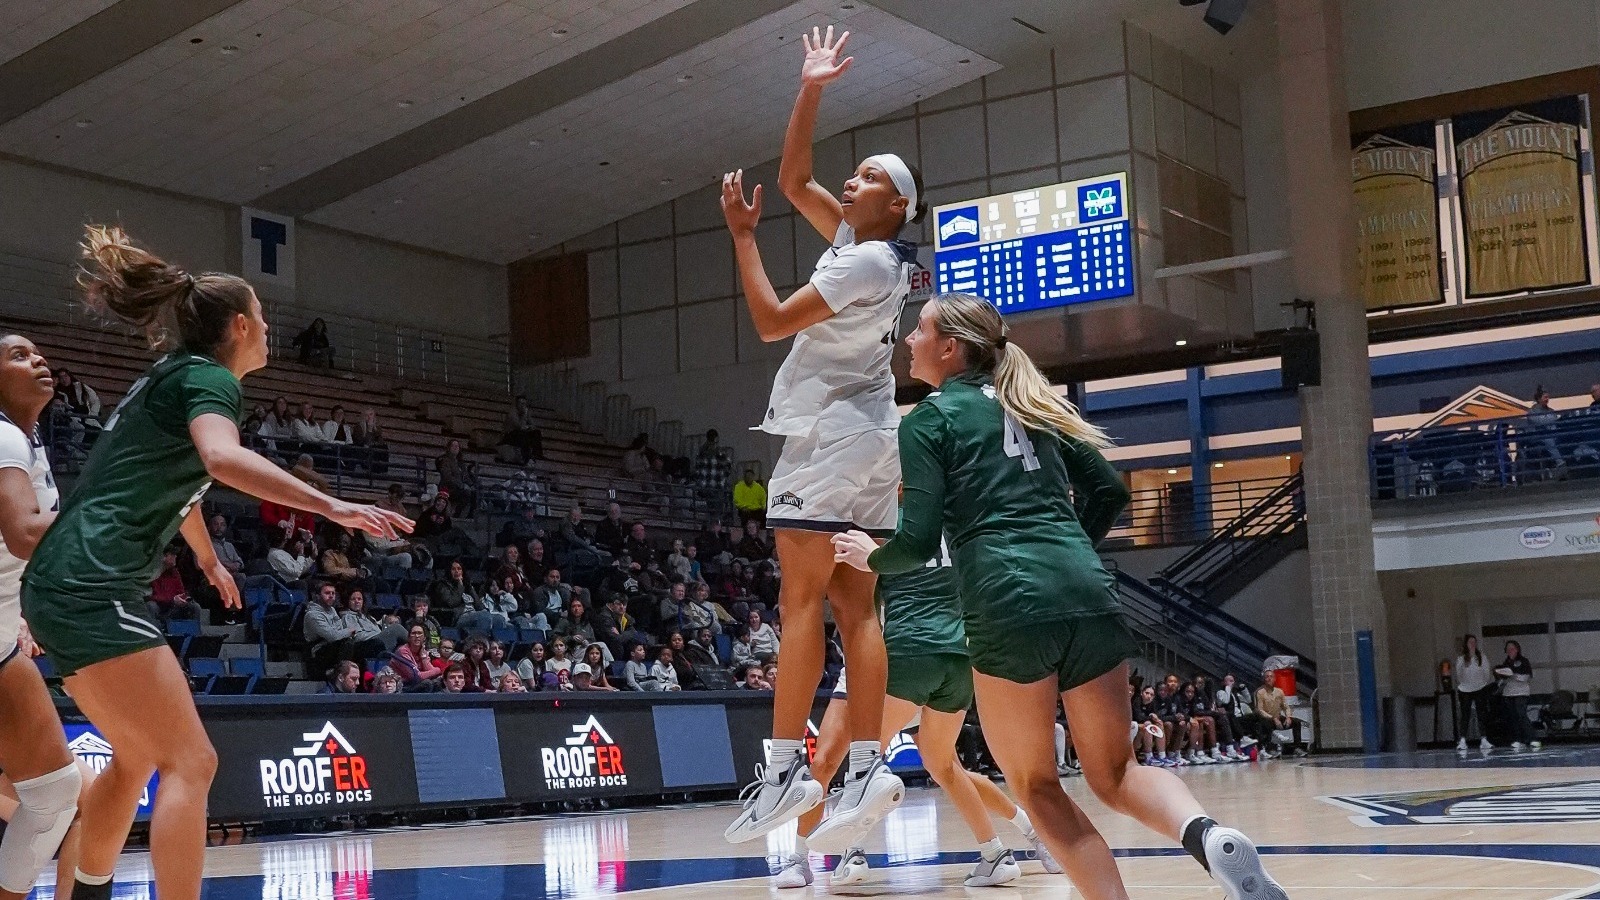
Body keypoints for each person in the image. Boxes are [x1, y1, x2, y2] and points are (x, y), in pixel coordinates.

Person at [831, 293, 1284, 900]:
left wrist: (870, 558)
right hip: (1086, 587)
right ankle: (1205, 834)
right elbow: (1107, 492)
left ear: (951, 347)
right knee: (1118, 771)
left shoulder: (929, 420)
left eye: (920, 330)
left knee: (1036, 783)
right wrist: (1066, 552)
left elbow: (915, 541)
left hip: (1006, 601)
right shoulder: (1034, 404)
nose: (909, 341)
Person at [21, 226, 411, 900]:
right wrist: (333, 506)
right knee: (192, 762)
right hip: (91, 582)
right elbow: (221, 462)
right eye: (261, 313)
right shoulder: (208, 380)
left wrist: (206, 557)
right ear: (238, 324)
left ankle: (82, 893)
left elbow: (176, 485)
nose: (267, 324)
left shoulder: (171, 377)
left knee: (139, 756)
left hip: (63, 583)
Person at [719, 26, 927, 847]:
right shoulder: (876, 253)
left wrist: (742, 236)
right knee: (854, 606)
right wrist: (811, 87)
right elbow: (796, 177)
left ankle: (784, 769)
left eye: (871, 175)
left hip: (835, 439)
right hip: (871, 436)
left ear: (897, 205)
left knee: (798, 597)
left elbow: (771, 323)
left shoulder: (862, 264)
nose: (853, 177)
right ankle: (872, 762)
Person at [776, 552, 1060, 887]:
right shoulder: (915, 532)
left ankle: (1029, 833)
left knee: (923, 766)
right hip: (891, 659)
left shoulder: (891, 534)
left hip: (900, 658)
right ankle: (803, 858)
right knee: (827, 761)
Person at [0, 333, 89, 900]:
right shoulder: (3, 434)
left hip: (3, 638)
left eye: (39, 354)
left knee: (58, 793)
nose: (38, 360)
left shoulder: (27, 441)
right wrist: (112, 511)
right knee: (58, 796)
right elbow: (26, 533)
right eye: (17, 356)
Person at [1455, 634, 1495, 752]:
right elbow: (1459, 675)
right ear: (1466, 644)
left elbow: (1486, 673)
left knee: (1481, 714)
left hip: (1480, 688)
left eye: (1474, 642)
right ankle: (1462, 740)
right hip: (1465, 690)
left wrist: (1481, 683)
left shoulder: (1481, 657)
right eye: (1470, 642)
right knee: (1465, 715)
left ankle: (1484, 739)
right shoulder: (1461, 659)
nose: (1472, 644)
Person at [1496, 640, 1539, 750]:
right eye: (1508, 649)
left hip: (1521, 692)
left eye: (1512, 648)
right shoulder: (1506, 663)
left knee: (1521, 714)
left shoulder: (1524, 661)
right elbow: (1502, 679)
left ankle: (1532, 738)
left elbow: (1527, 677)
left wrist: (1513, 675)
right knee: (1513, 717)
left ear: (1517, 649)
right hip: (1508, 693)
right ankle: (1518, 739)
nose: (1510, 651)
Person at [1254, 677, 1306, 758]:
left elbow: (1285, 706)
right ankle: (1269, 749)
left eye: (1271, 677)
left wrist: (1288, 717)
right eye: (1267, 677)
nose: (1269, 680)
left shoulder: (1278, 692)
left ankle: (1297, 748)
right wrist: (1274, 718)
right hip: (1266, 718)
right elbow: (1259, 710)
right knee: (1266, 724)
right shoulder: (1260, 693)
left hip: (1278, 716)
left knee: (1296, 722)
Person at [391, 623, 442, 688]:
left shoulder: (423, 651)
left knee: (439, 682)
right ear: (409, 638)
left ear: (424, 638)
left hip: (415, 684)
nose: (417, 636)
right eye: (414, 633)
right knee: (427, 683)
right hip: (401, 686)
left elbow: (430, 672)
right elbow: (415, 676)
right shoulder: (402, 651)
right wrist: (437, 670)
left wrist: (423, 658)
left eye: (419, 633)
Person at [436, 440, 477, 518]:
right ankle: (457, 513)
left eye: (457, 446)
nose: (455, 448)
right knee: (466, 493)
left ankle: (470, 515)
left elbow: (466, 476)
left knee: (474, 493)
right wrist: (461, 485)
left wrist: (471, 485)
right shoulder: (445, 461)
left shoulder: (460, 463)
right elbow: (447, 477)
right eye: (453, 446)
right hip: (448, 488)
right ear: (449, 448)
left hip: (460, 488)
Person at [502, 395, 544, 463]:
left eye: (524, 404)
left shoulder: (526, 411)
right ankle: (525, 457)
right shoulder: (512, 413)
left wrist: (529, 426)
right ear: (517, 404)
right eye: (521, 403)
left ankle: (537, 454)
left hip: (521, 433)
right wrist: (524, 417)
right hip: (509, 435)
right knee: (522, 435)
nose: (523, 405)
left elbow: (532, 425)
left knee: (536, 432)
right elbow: (519, 426)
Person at [353, 408, 389, 475]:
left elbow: (381, 442)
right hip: (363, 451)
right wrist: (369, 430)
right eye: (366, 415)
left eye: (371, 414)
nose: (369, 417)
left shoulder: (377, 428)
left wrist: (375, 430)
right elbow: (361, 442)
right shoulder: (358, 427)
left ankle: (384, 470)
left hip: (374, 451)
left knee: (384, 447)